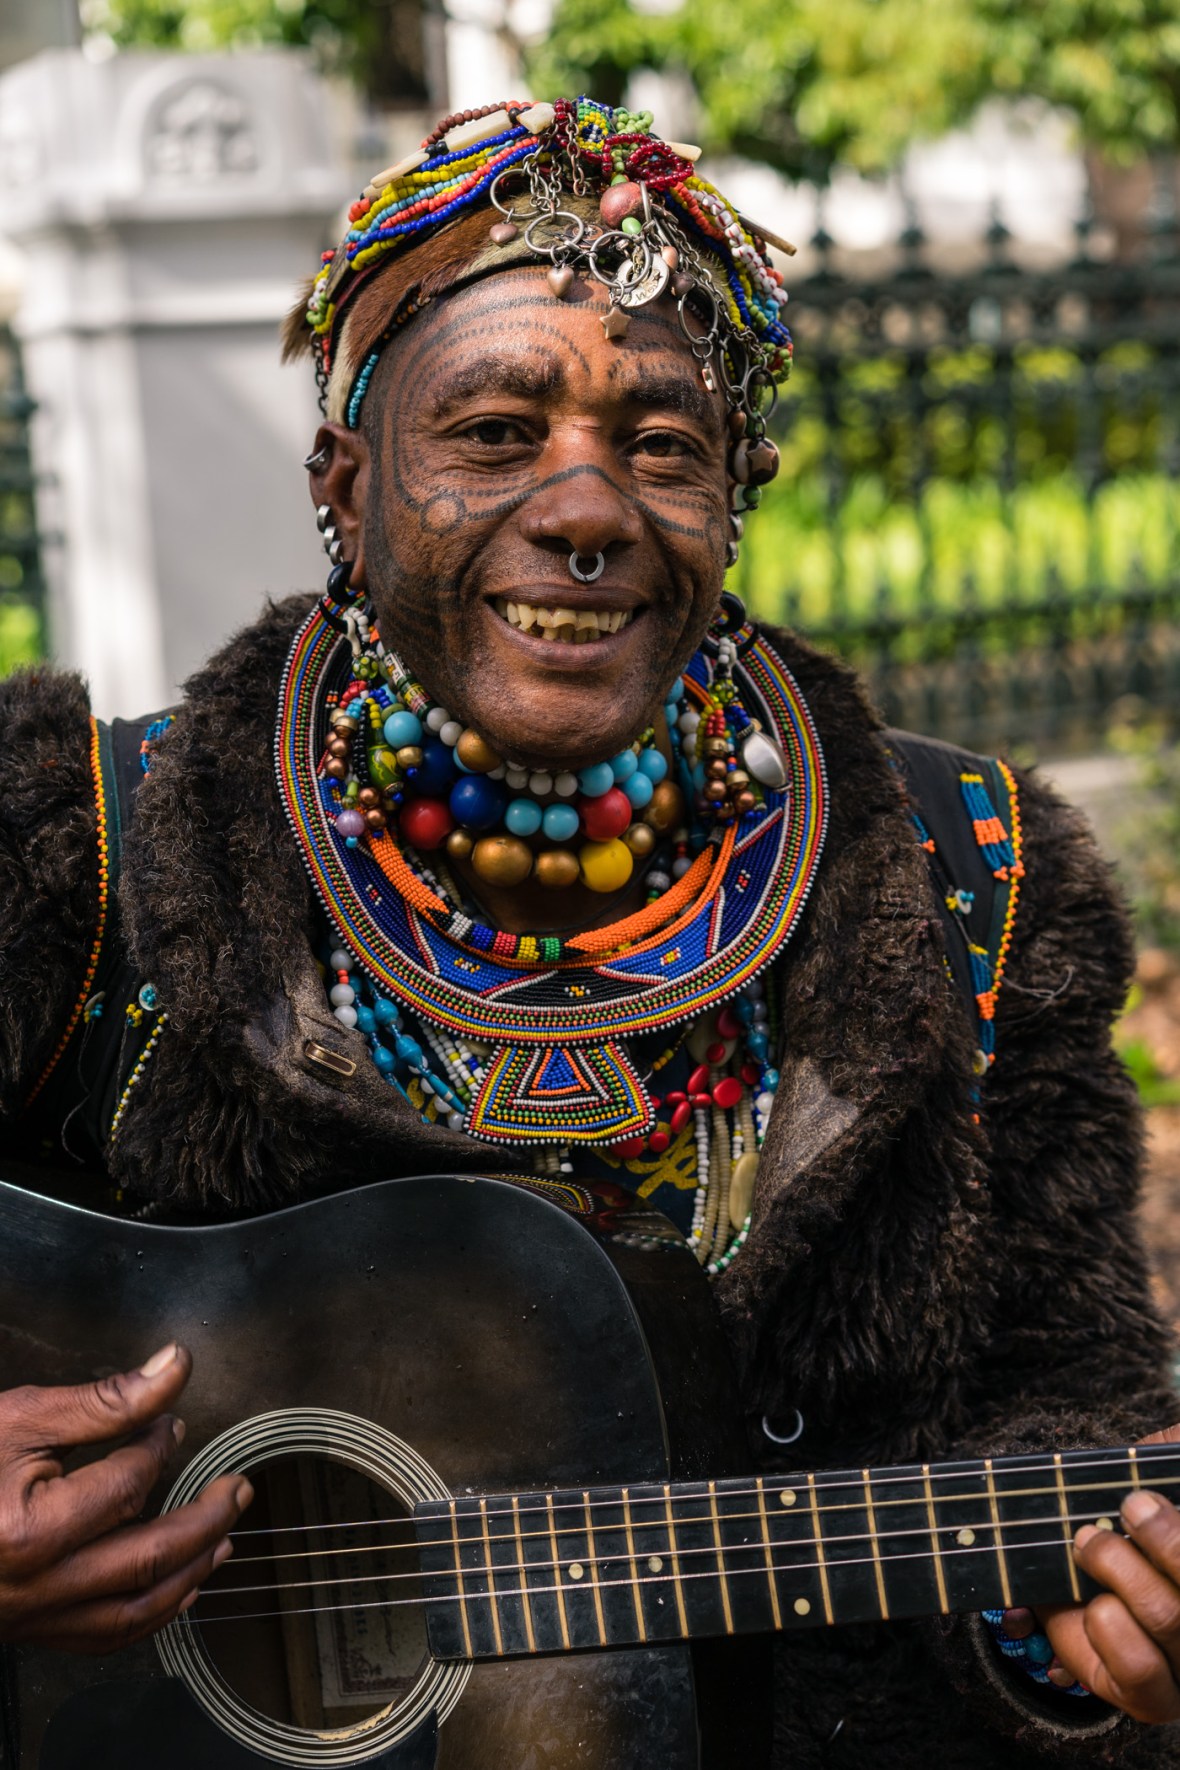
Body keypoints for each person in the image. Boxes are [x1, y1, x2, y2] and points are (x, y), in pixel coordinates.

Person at [1, 92, 1180, 1767]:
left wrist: (1072, 1632)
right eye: (490, 432)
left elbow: (1068, 1401)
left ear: (734, 497)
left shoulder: (973, 885)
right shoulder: (75, 852)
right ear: (342, 483)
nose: (589, 507)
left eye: (663, 444)